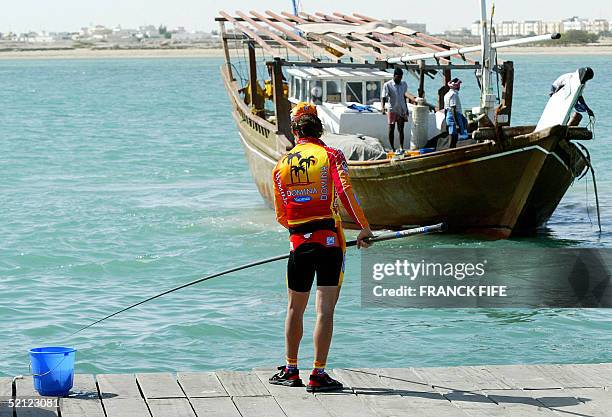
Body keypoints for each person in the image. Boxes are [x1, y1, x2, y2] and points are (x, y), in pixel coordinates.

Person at [270, 102, 373, 392]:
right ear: (320, 128)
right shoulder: (331, 155)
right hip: (329, 242)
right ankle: (318, 374)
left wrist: (299, 233)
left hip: (298, 243)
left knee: (294, 308)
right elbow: (345, 193)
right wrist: (363, 227)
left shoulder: (281, 165)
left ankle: (291, 369)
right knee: (324, 310)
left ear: (294, 131)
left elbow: (282, 214)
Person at [382, 67, 409, 152]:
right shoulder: (388, 84)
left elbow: (404, 96)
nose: (399, 79)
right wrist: (382, 107)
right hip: (392, 109)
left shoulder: (403, 84)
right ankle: (392, 148)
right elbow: (383, 97)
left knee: (401, 129)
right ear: (394, 76)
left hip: (401, 109)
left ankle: (401, 147)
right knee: (391, 129)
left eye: (401, 77)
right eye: (398, 77)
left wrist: (406, 108)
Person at [444, 78, 467, 148]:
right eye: (459, 85)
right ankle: (451, 149)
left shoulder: (447, 94)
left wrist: (445, 120)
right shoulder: (453, 95)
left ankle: (452, 148)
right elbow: (453, 109)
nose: (459, 87)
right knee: (453, 135)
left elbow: (445, 109)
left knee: (454, 134)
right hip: (453, 116)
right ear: (456, 86)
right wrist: (457, 124)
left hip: (449, 114)